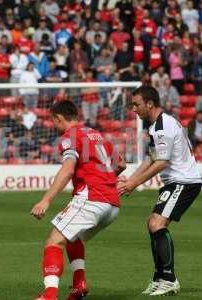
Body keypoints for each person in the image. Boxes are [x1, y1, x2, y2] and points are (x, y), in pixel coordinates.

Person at [31, 100, 126, 300]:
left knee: (54, 242)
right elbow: (121, 164)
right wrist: (108, 179)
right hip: (112, 203)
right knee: (72, 237)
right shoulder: (96, 134)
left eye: (53, 121)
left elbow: (67, 170)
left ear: (58, 118)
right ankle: (79, 283)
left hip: (92, 197)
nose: (54, 126)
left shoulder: (69, 137)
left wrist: (45, 200)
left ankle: (49, 295)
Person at [118, 86, 202, 296]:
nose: (134, 109)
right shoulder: (158, 125)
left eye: (136, 104)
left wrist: (133, 184)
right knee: (153, 224)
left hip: (183, 181)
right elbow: (152, 157)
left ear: (149, 103)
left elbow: (161, 163)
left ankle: (168, 278)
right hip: (177, 182)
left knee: (157, 223)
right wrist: (132, 178)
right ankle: (160, 277)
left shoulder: (163, 126)